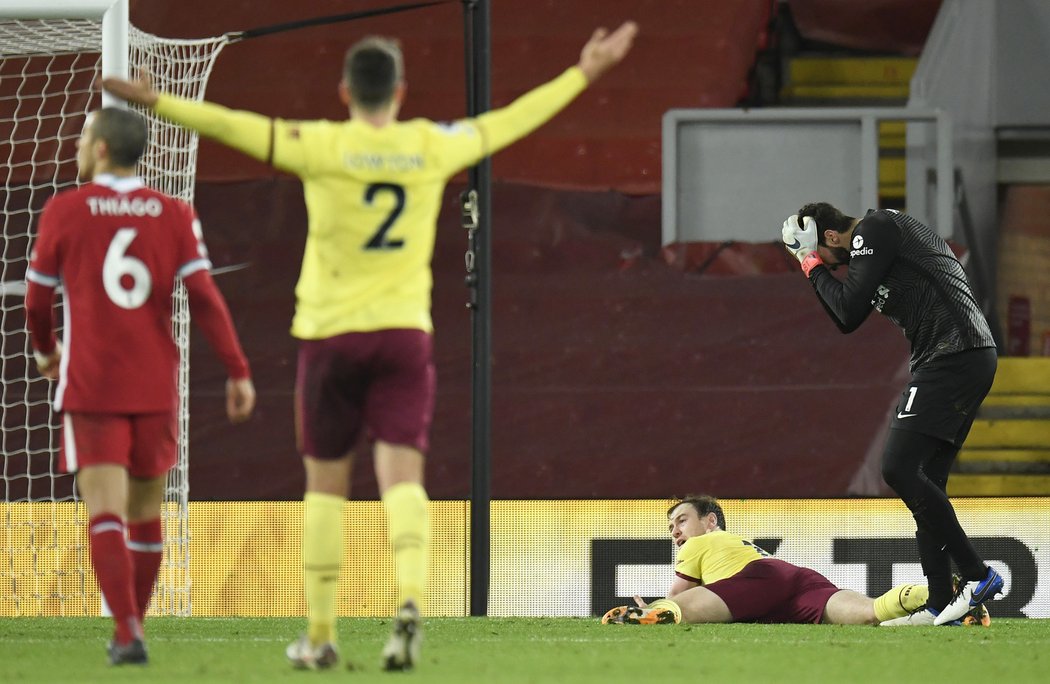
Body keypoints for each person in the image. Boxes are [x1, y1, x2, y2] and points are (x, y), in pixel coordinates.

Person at [102, 21, 638, 671]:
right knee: (403, 479)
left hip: (328, 336)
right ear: (402, 92)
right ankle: (409, 601)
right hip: (403, 334)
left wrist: (159, 102)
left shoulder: (318, 144)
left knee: (325, 487)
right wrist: (585, 71)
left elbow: (231, 124)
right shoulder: (431, 145)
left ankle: (322, 633)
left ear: (344, 92)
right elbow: (512, 120)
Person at [24, 108, 256, 665]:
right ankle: (134, 629)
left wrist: (47, 351)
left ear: (101, 148)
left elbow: (36, 301)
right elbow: (203, 297)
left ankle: (127, 632)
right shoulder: (172, 212)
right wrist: (237, 368)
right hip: (155, 383)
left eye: (83, 138)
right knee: (146, 513)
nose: (78, 147)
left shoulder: (65, 210)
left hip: (91, 385)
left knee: (103, 509)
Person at [779, 203, 1004, 626]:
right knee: (926, 481)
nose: (827, 262)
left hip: (953, 354)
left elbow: (847, 312)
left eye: (818, 249)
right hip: (960, 354)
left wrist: (808, 263)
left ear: (829, 237)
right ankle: (941, 601)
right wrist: (814, 264)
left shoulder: (874, 229)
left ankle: (978, 575)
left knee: (898, 467)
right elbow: (845, 310)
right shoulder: (881, 233)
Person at [603, 495, 989, 627]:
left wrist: (656, 606)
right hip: (795, 579)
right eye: (671, 525)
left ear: (710, 520)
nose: (675, 531)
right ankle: (948, 597)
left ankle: (649, 619)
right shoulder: (735, 542)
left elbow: (681, 593)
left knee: (678, 609)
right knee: (870, 612)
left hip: (757, 581)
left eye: (681, 520)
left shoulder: (701, 541)